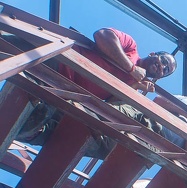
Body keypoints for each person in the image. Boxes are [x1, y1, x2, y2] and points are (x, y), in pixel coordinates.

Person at [14, 27, 177, 147]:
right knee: (10, 46)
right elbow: (103, 35)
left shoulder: (134, 87)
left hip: (64, 93)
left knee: (26, 128)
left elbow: (109, 106)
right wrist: (131, 68)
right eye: (163, 60)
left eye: (166, 70)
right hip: (60, 62)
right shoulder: (131, 48)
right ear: (153, 54)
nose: (162, 66)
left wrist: (134, 86)